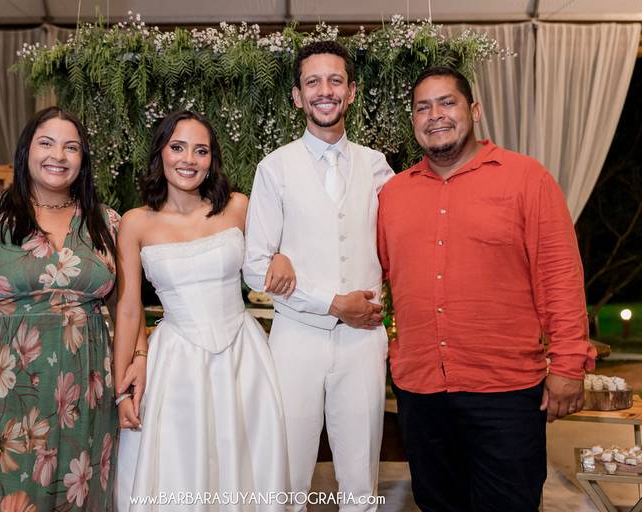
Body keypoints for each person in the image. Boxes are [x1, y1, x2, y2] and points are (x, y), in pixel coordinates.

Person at [376, 66, 597, 511]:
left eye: (447, 102)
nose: (435, 115)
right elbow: (369, 274)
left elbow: (559, 275)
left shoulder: (526, 179)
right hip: (421, 392)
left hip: (505, 392)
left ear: (474, 110)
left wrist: (569, 363)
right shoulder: (393, 194)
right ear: (413, 120)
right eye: (423, 107)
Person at [0, 106, 128, 510]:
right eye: (47, 143)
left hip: (88, 395)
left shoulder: (107, 223)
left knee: (83, 495)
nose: (59, 155)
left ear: (83, 159)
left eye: (71, 147)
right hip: (3, 392)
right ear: (25, 151)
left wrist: (136, 360)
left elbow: (126, 308)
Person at [243, 41, 393, 511]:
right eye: (313, 82)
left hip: (363, 341)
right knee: (286, 475)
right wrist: (332, 303)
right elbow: (254, 266)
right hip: (295, 339)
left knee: (361, 479)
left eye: (335, 81)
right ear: (297, 96)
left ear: (352, 92)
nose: (324, 91)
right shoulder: (274, 168)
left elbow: (402, 242)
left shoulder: (377, 166)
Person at [114, 110, 288, 510]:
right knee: (180, 465)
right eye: (177, 147)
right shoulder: (136, 223)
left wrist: (282, 257)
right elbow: (128, 308)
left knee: (248, 462)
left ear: (212, 159)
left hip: (243, 356)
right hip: (176, 362)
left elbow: (271, 259)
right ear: (160, 153)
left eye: (201, 150)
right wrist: (122, 388)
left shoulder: (239, 207)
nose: (188, 159)